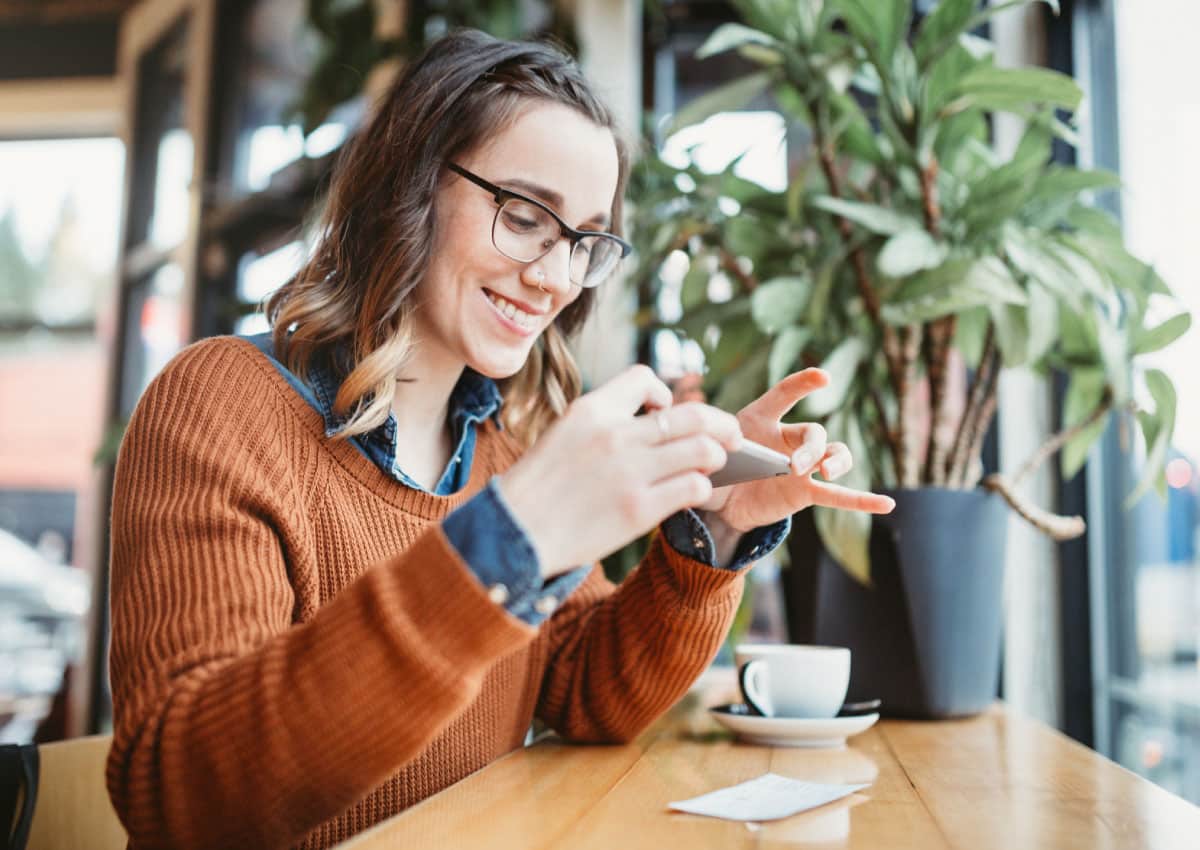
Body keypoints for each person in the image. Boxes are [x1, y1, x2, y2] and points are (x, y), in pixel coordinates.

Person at [104, 28, 895, 850]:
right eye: (523, 217)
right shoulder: (222, 403)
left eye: (585, 241)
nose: (554, 277)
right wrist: (504, 544)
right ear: (407, 188)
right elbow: (182, 791)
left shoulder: (508, 443)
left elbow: (589, 692)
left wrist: (716, 534)